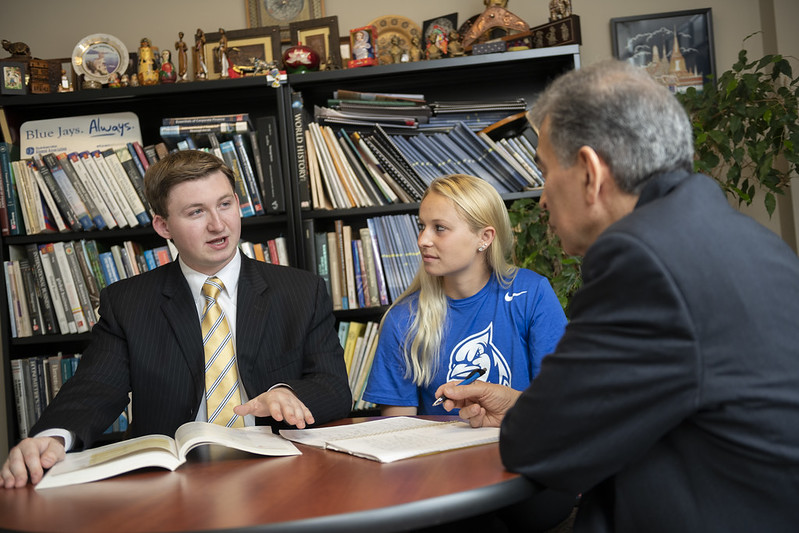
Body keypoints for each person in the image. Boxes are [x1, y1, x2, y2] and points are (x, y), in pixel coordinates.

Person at [436, 60, 799, 532]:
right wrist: (516, 406)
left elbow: (539, 447)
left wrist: (522, 417)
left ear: (590, 172)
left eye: (545, 171)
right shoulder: (742, 238)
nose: (542, 199)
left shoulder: (641, 260)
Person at [1, 150, 352, 488]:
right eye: (196, 212)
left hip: (278, 472)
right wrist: (53, 438)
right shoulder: (128, 301)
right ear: (163, 226)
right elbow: (95, 388)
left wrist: (287, 392)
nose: (218, 224)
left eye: (225, 204)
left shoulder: (301, 291)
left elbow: (334, 388)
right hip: (172, 478)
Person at [363, 174, 567, 417]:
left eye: (439, 228)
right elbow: (399, 434)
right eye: (422, 227)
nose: (422, 240)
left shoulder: (531, 294)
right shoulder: (402, 320)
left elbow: (566, 401)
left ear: (485, 237)